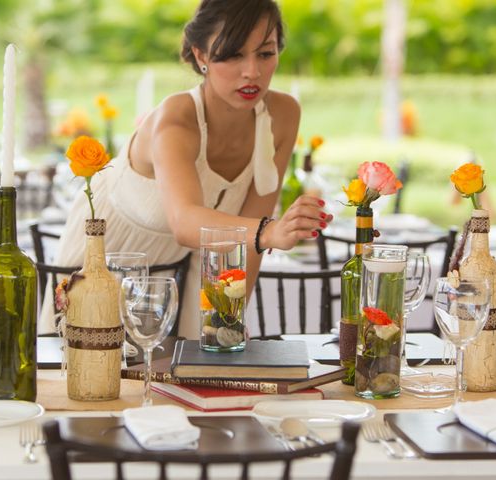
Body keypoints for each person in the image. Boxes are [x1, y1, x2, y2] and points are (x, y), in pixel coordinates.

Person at [44, 0, 333, 338]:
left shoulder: (282, 115)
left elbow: (243, 248)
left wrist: (223, 328)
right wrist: (268, 232)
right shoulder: (176, 118)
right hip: (96, 271)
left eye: (265, 54)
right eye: (233, 55)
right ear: (201, 56)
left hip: (166, 286)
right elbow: (187, 222)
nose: (252, 71)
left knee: (204, 366)